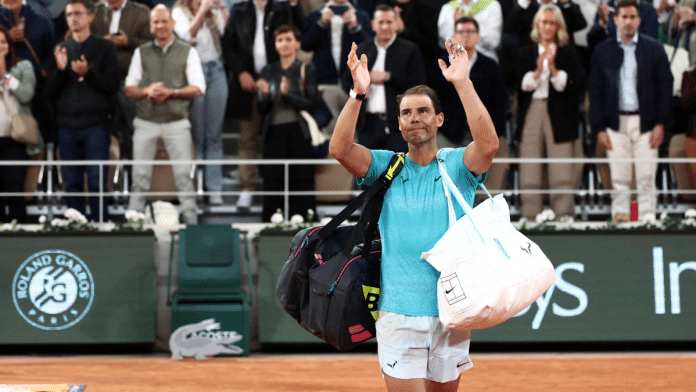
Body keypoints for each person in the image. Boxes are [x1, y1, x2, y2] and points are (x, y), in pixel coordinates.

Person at [329, 36, 498, 391]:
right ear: (400, 123)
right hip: (397, 312)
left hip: (452, 311)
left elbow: (488, 145)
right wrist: (357, 94)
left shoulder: (456, 164)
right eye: (406, 113)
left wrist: (462, 83)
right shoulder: (385, 166)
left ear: (438, 119)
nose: (414, 119)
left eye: (422, 111)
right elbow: (340, 148)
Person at [589, 0, 672, 222]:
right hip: (615, 123)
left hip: (646, 123)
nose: (628, 21)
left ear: (639, 20)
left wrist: (660, 124)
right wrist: (599, 127)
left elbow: (665, 87)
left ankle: (646, 221)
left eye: (632, 17)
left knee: (646, 178)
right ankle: (621, 221)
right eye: (623, 17)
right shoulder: (602, 51)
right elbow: (595, 92)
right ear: (615, 20)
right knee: (619, 179)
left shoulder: (654, 49)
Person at [125, 4, 206, 224]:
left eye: (164, 21)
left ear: (173, 23)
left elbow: (199, 87)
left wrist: (173, 92)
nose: (160, 26)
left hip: (177, 122)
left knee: (183, 177)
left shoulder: (187, 51)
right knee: (139, 177)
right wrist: (147, 91)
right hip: (146, 121)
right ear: (150, 26)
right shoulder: (141, 52)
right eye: (156, 22)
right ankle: (134, 224)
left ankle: (191, 225)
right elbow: (129, 88)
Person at [220, 0, 304, 210]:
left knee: (281, 135)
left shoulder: (282, 9)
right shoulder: (238, 10)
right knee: (247, 138)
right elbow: (227, 46)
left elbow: (298, 35)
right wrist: (240, 72)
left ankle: (285, 195)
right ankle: (246, 189)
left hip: (279, 81)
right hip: (247, 84)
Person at [45, 0, 120, 223]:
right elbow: (49, 93)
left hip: (96, 125)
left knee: (97, 182)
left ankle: (100, 228)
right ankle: (76, 231)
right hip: (66, 126)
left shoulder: (105, 48)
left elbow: (113, 86)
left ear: (90, 17)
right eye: (69, 15)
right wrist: (59, 70)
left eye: (78, 13)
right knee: (72, 184)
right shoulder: (61, 49)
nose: (73, 19)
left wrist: (88, 73)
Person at [516, 4, 585, 221]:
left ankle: (563, 216)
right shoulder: (525, 52)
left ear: (559, 27)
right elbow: (519, 84)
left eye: (552, 22)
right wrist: (537, 71)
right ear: (537, 25)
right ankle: (530, 216)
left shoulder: (568, 52)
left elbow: (572, 83)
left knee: (562, 166)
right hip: (532, 110)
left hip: (561, 113)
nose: (547, 27)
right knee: (529, 164)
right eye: (544, 22)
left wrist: (553, 68)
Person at [428, 16, 509, 192]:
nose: (465, 35)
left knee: (497, 154)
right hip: (448, 130)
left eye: (470, 31)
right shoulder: (441, 65)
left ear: (479, 36)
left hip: (483, 130)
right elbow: (432, 99)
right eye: (461, 31)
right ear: (453, 36)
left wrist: (489, 129)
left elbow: (500, 102)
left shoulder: (490, 65)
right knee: (439, 168)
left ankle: (485, 211)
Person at [342, 4, 425, 152]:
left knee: (399, 173)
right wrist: (358, 91)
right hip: (367, 124)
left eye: (389, 22)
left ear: (396, 24)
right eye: (381, 22)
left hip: (400, 126)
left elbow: (419, 85)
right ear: (373, 25)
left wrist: (388, 77)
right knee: (366, 172)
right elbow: (346, 81)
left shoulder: (410, 49)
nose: (385, 26)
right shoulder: (362, 49)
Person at [257, 25, 317, 221]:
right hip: (273, 132)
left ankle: (304, 224)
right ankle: (271, 223)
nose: (284, 44)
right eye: (280, 40)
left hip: (299, 132)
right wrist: (265, 96)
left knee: (301, 180)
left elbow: (311, 103)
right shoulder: (268, 70)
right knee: (273, 181)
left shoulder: (306, 68)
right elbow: (262, 109)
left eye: (288, 39)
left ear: (297, 43)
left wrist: (287, 95)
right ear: (275, 44)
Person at [173, 0, 229, 205]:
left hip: (217, 70)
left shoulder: (213, 12)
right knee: (197, 135)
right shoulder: (179, 12)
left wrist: (222, 9)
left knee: (213, 134)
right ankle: (196, 188)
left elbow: (228, 33)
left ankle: (214, 189)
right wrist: (202, 10)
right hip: (192, 73)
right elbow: (188, 34)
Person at [90, 0, 153, 160]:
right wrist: (102, 42)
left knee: (134, 128)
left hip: (130, 81)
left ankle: (133, 174)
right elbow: (81, 39)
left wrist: (129, 42)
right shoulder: (92, 11)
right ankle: (106, 177)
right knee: (100, 129)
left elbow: (153, 45)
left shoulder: (141, 11)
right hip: (99, 81)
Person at [301, 0, 372, 135]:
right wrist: (321, 23)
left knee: (353, 133)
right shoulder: (315, 15)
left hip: (353, 82)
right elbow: (305, 45)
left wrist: (355, 26)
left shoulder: (361, 15)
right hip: (325, 83)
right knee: (328, 132)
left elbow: (370, 44)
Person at [0, 0, 55, 151]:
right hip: (3, 79)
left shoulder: (38, 14)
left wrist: (45, 68)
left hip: (36, 83)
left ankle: (43, 171)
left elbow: (53, 47)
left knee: (39, 129)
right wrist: (6, 37)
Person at [0, 27, 35, 223]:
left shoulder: (23, 66)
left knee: (14, 186)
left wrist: (5, 76)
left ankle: (18, 231)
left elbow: (26, 95)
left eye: (3, 42)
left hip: (14, 137)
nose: (0, 46)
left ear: (10, 45)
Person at [437, 0, 503, 61]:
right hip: (456, 62)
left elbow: (494, 42)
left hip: (486, 61)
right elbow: (443, 44)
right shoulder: (448, 8)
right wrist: (457, 25)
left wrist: (469, 24)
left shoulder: (492, 6)